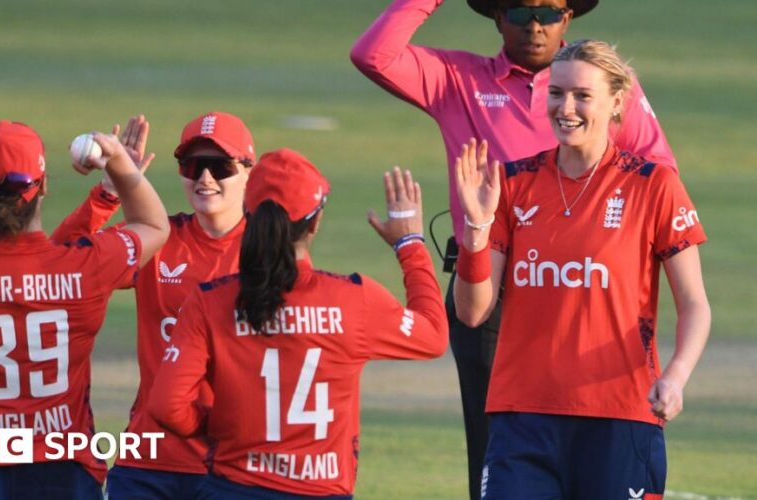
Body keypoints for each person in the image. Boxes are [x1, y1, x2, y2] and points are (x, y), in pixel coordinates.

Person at [350, 1, 679, 493]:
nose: (534, 24)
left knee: (594, 441)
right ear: (496, 16)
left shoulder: (598, 89)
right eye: (520, 9)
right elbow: (373, 55)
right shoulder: (457, 78)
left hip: (581, 286)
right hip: (488, 283)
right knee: (495, 456)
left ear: (568, 19)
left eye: (548, 11)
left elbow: (656, 175)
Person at [452, 40, 711, 498]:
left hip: (619, 417)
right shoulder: (513, 183)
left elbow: (694, 304)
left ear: (617, 103)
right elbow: (473, 312)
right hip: (521, 418)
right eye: (556, 92)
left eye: (582, 96)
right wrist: (476, 230)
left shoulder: (654, 185)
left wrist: (675, 376)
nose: (565, 107)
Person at [147, 149, 448, 498]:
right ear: (315, 222)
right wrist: (408, 244)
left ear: (249, 214)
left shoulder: (209, 301)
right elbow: (434, 335)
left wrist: (216, 427)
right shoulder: (354, 299)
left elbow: (166, 405)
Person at [0, 120, 169, 499]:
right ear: (43, 186)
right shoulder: (86, 267)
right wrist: (119, 166)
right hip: (63, 473)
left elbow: (22, 270)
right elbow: (152, 224)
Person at [51, 111, 255, 499]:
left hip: (231, 468)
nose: (205, 178)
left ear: (248, 171)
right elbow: (61, 265)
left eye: (220, 166)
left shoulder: (267, 253)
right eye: (193, 165)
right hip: (147, 465)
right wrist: (111, 191)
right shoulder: (158, 240)